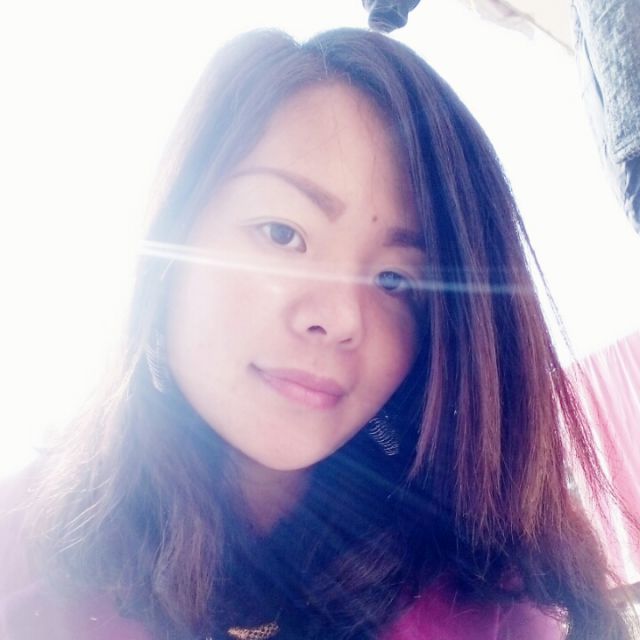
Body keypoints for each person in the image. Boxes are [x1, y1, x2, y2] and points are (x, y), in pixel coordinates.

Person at [0, 27, 635, 640]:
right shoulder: (21, 552)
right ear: (173, 232)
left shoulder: (488, 604)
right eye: (283, 234)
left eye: (394, 280)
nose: (340, 318)